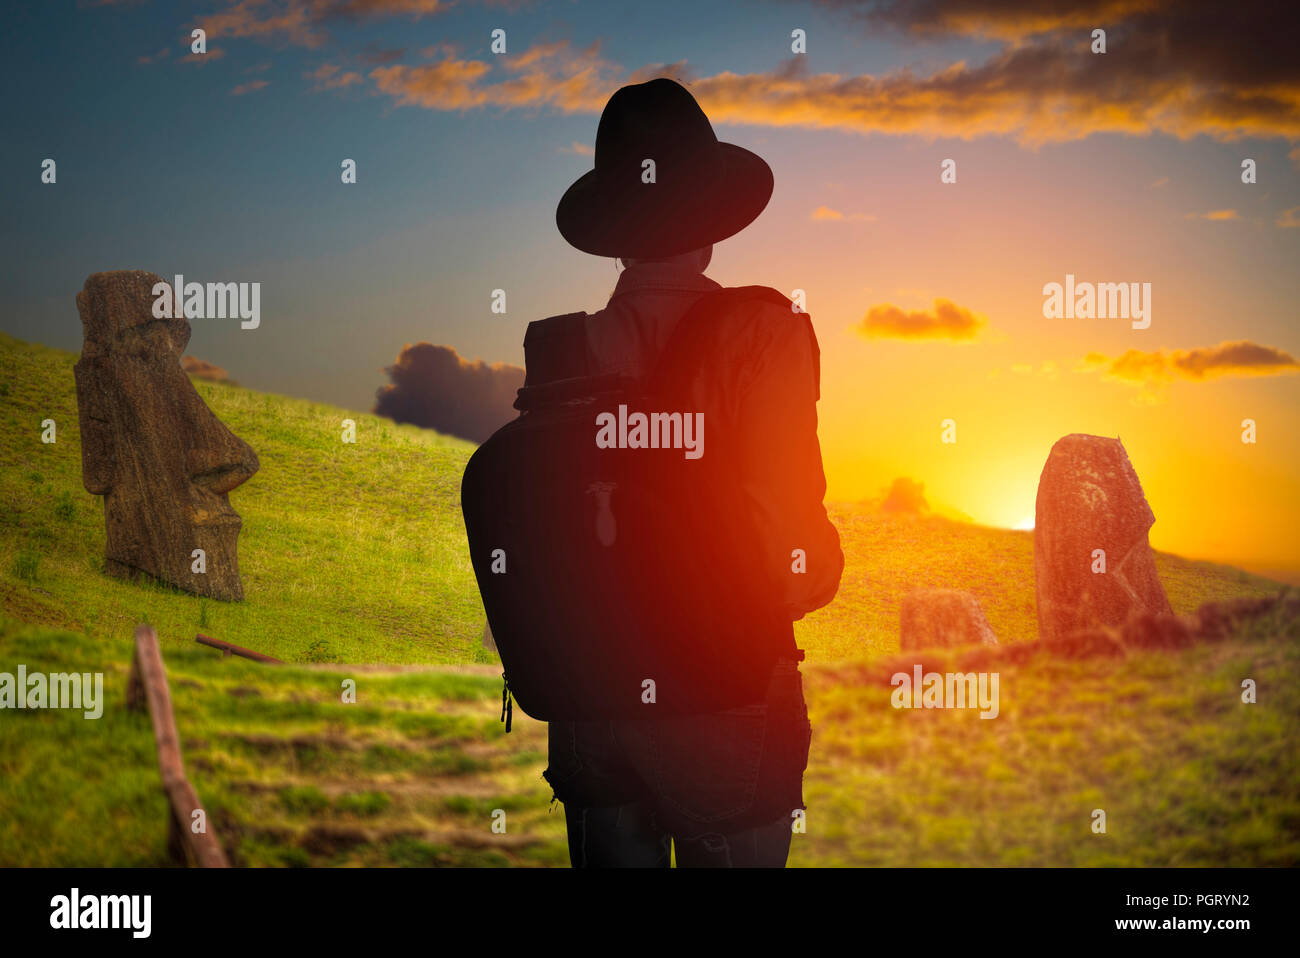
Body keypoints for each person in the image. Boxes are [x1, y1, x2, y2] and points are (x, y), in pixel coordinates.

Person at [540, 77, 844, 867]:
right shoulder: (764, 335)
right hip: (727, 693)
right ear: (712, 221)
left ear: (615, 232)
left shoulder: (560, 350)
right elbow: (793, 558)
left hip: (589, 704)